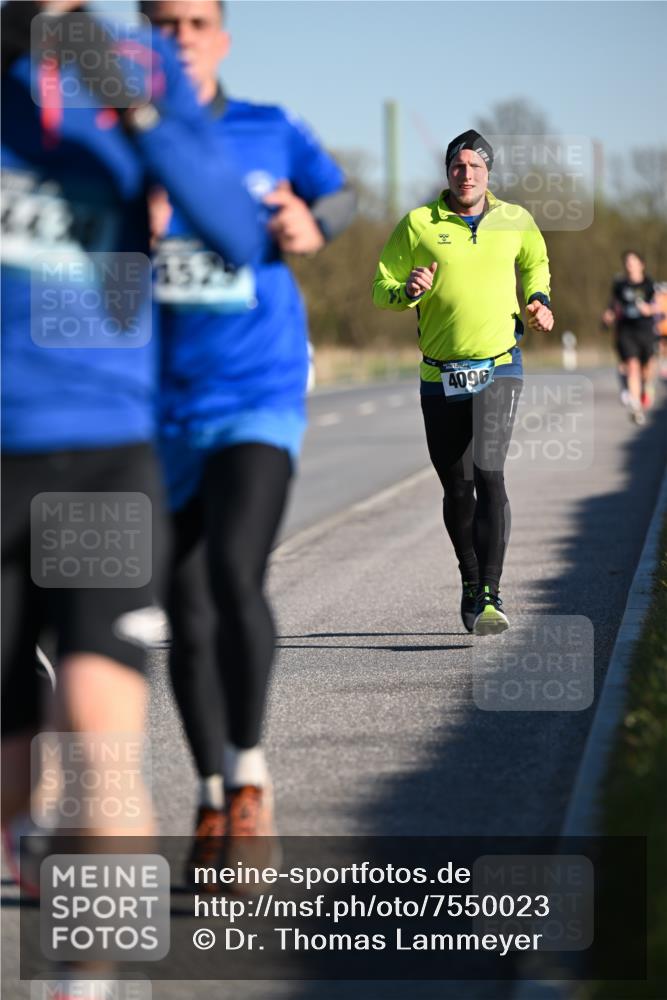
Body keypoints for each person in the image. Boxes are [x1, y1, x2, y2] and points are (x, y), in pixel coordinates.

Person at [1, 0, 260, 891]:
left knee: (97, 732)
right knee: (11, 778)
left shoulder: (139, 62)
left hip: (101, 448)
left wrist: (138, 111)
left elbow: (234, 232)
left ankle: (94, 961)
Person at [142, 0, 356, 870]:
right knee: (183, 607)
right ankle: (207, 796)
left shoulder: (270, 126)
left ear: (221, 38)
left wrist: (314, 222)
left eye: (195, 22)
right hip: (157, 405)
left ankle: (249, 782)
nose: (179, 37)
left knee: (233, 571)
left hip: (256, 391)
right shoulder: (116, 139)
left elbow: (339, 193)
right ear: (141, 32)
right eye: (162, 22)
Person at [372, 129, 553, 636]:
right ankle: (470, 580)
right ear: (447, 172)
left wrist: (539, 299)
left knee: (489, 472)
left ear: (488, 173)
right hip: (440, 373)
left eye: (475, 166)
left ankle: (491, 593)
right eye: (458, 166)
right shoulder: (418, 224)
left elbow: (536, 262)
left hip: (500, 365)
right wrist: (408, 290)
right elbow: (381, 287)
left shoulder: (516, 220)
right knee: (457, 487)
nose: (466, 174)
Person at [602, 250, 659, 424]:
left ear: (642, 265)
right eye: (627, 263)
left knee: (646, 369)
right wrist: (609, 315)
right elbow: (613, 305)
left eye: (633, 262)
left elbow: (658, 306)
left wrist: (649, 309)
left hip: (645, 329)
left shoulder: (649, 284)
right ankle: (636, 408)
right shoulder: (620, 285)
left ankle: (646, 387)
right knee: (632, 366)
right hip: (626, 330)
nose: (630, 266)